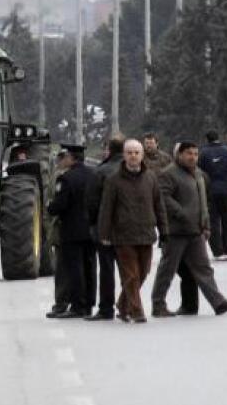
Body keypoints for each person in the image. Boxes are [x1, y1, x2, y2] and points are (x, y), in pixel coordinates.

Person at [151, 142, 227, 316]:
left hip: (196, 231)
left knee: (204, 268)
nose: (192, 157)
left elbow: (204, 202)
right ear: (180, 155)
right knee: (167, 270)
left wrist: (206, 225)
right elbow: (163, 197)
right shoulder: (168, 174)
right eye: (188, 154)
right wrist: (181, 212)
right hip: (176, 231)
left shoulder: (199, 174)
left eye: (195, 154)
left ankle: (218, 303)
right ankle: (158, 304)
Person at [97, 138, 168, 323]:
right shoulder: (114, 180)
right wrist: (104, 234)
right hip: (123, 235)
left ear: (142, 155)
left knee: (143, 272)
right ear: (124, 155)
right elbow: (106, 208)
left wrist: (164, 231)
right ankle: (137, 311)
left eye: (137, 153)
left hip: (146, 233)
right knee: (131, 275)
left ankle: (122, 304)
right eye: (129, 153)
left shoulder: (151, 177)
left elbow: (159, 205)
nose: (133, 156)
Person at [46, 145, 96, 319]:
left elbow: (59, 205)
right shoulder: (93, 175)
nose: (62, 160)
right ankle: (89, 304)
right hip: (91, 229)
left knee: (74, 269)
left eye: (64, 156)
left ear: (71, 158)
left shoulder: (66, 178)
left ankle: (77, 306)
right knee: (89, 268)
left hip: (72, 231)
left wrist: (49, 207)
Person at [84, 134, 125, 321]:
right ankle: (129, 305)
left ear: (108, 149)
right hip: (128, 227)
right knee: (129, 270)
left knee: (107, 270)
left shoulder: (101, 171)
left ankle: (106, 308)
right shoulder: (133, 169)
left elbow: (91, 202)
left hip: (105, 228)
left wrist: (94, 223)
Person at [198, 130, 227, 260]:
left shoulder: (203, 153)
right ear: (219, 138)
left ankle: (217, 252)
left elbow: (199, 173)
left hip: (210, 192)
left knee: (213, 222)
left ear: (206, 139)